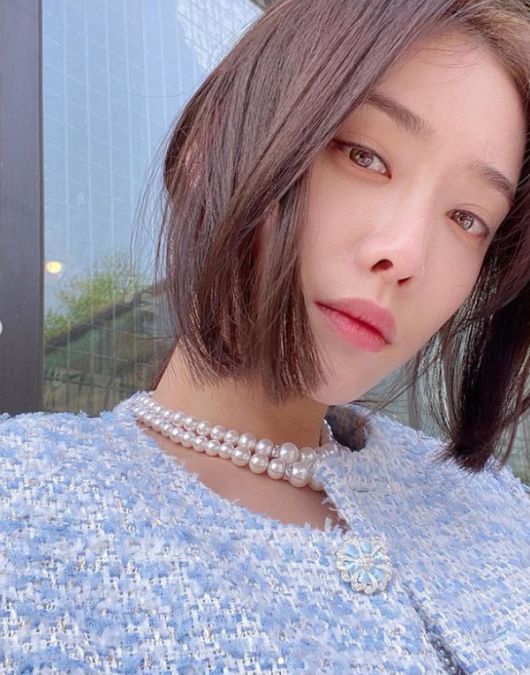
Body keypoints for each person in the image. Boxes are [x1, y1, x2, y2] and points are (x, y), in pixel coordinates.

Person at [2, 0, 530, 671]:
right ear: (210, 146)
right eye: (365, 156)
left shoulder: (492, 502)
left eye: (468, 217)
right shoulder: (24, 508)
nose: (406, 255)